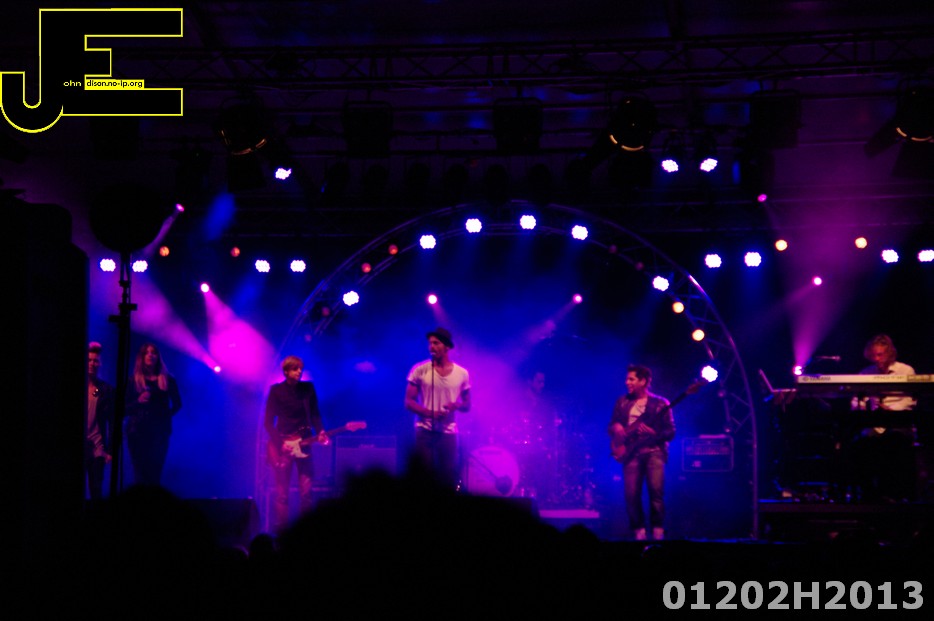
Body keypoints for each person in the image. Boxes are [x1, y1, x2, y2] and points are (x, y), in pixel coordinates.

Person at [607, 364, 675, 541]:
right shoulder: (622, 402)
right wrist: (616, 427)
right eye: (627, 379)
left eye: (631, 379)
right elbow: (611, 426)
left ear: (643, 381)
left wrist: (654, 434)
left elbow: (670, 432)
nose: (627, 382)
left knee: (656, 493)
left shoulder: (660, 403)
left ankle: (658, 531)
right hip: (631, 454)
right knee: (631, 495)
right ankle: (639, 532)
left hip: (654, 452)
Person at [263, 355, 329, 533]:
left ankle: (305, 532)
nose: (299, 371)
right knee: (282, 493)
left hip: (305, 443)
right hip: (283, 445)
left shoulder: (307, 389)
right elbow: (268, 422)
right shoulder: (276, 391)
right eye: (295, 369)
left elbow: (315, 414)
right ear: (286, 372)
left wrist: (320, 431)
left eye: (300, 368)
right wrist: (280, 444)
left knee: (306, 491)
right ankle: (282, 532)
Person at [849, 334, 918, 501]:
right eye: (873, 355)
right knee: (861, 445)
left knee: (894, 442)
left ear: (889, 353)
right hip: (873, 424)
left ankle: (892, 494)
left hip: (898, 423)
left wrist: (890, 409)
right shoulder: (865, 373)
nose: (877, 359)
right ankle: (868, 496)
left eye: (880, 355)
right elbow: (854, 402)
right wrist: (868, 407)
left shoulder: (906, 371)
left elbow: (911, 400)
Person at [404, 327, 471, 490]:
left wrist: (456, 405)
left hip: (448, 432)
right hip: (424, 431)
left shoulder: (462, 373)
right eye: (430, 343)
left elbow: (467, 405)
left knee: (447, 477)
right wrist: (430, 413)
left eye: (436, 343)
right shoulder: (420, 369)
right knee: (423, 477)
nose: (431, 347)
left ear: (447, 347)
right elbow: (408, 401)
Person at [124, 342, 182, 487]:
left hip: (159, 433)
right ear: (142, 357)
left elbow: (178, 404)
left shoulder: (168, 380)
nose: (150, 355)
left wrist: (164, 416)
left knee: (155, 473)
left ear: (158, 357)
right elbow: (123, 408)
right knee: (140, 473)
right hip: (137, 432)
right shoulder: (133, 381)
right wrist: (138, 401)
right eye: (147, 352)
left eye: (153, 352)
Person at [86, 341, 114, 500]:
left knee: (96, 488)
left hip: (97, 446)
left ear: (100, 364)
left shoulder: (105, 390)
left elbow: (112, 421)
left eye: (95, 361)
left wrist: (109, 450)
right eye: (89, 360)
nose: (92, 364)